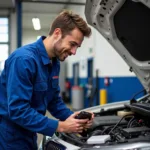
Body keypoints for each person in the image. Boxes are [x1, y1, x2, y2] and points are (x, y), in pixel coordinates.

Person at [0, 10, 94, 150]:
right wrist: (60, 126)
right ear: (57, 33)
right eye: (72, 44)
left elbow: (53, 101)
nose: (74, 52)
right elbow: (18, 110)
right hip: (11, 138)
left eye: (77, 47)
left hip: (31, 131)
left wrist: (74, 118)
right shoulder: (24, 60)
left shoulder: (54, 62)